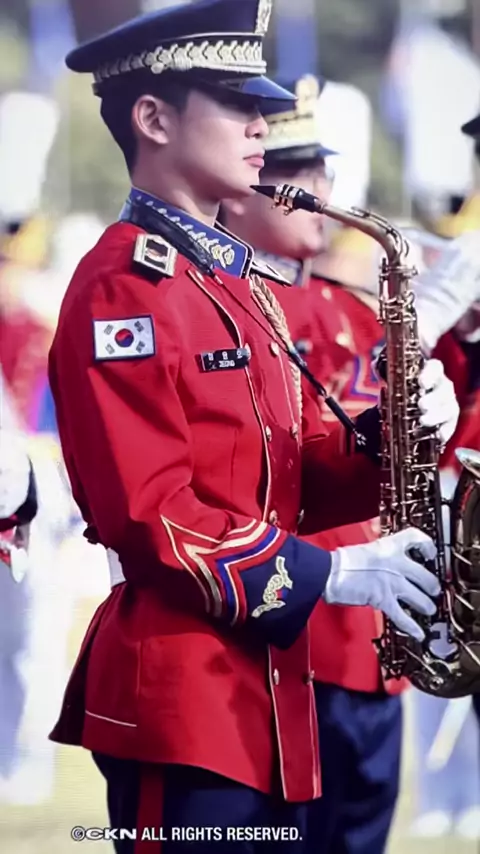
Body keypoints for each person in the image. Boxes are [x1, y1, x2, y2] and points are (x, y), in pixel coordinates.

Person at [48, 3, 458, 851]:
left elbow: (290, 469)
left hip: (269, 694)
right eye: (236, 103)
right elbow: (152, 514)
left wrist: (398, 435)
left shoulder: (235, 286)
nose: (261, 125)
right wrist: (328, 573)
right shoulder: (124, 287)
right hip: (183, 705)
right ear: (153, 118)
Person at [222, 75, 480, 851]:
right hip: (307, 616)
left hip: (378, 624)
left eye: (321, 167)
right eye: (293, 168)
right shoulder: (243, 305)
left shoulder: (353, 307)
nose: (318, 187)